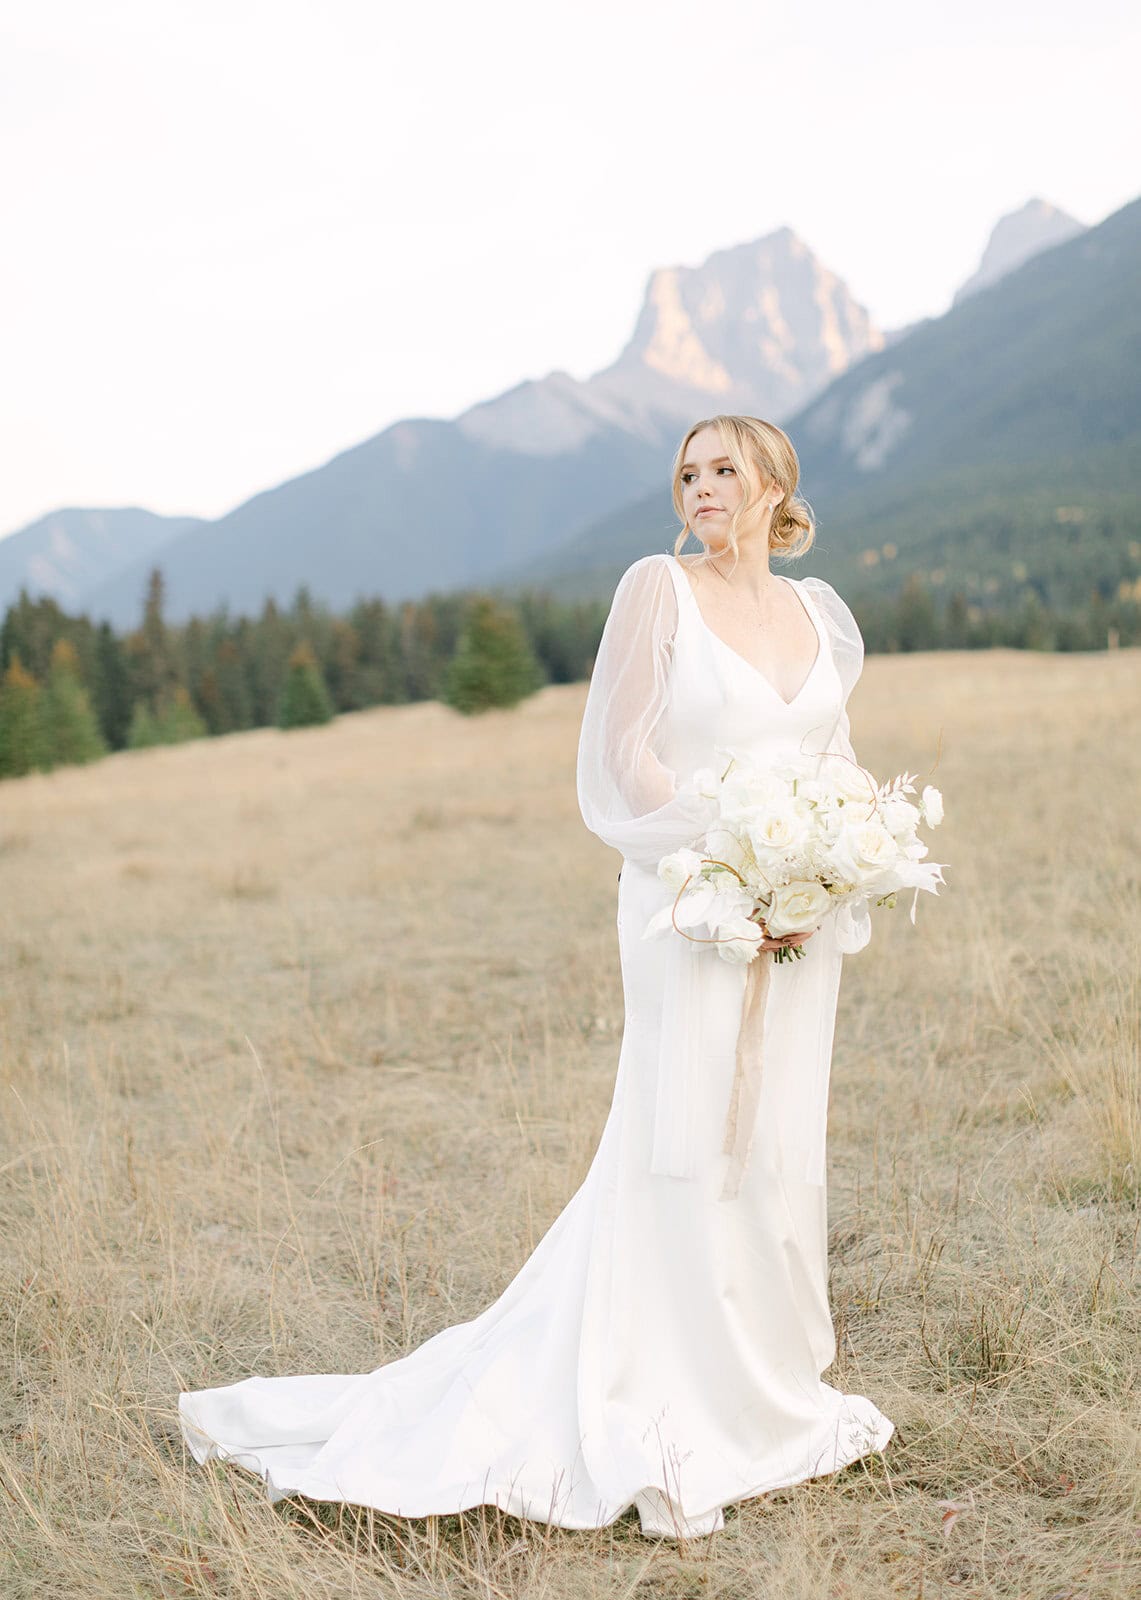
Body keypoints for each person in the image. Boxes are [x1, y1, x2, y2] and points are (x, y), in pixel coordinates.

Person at [178, 412, 893, 1541]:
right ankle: (663, 1389)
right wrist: (725, 863)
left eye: (723, 469)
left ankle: (766, 1378)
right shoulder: (658, 589)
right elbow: (626, 754)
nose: (700, 487)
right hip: (687, 898)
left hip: (793, 915)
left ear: (773, 485)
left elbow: (832, 759)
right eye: (687, 472)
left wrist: (825, 863)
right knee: (683, 1124)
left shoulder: (816, 613)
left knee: (773, 1133)